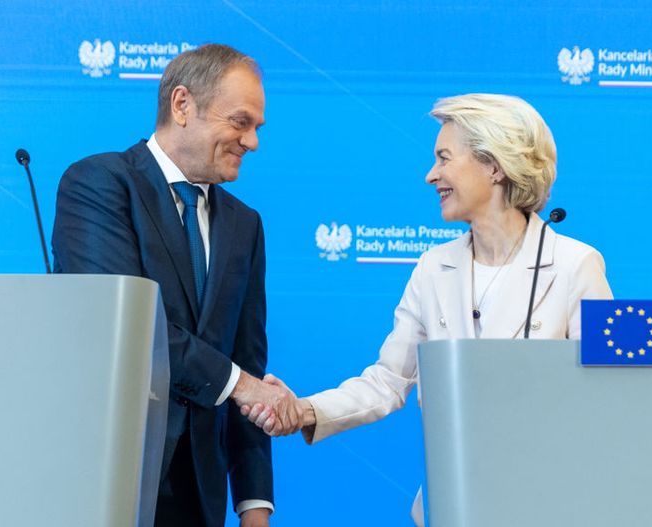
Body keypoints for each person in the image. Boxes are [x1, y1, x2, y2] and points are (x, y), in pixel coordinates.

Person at [242, 93, 613, 525]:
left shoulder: (574, 265)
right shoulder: (434, 267)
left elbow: (606, 394)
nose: (430, 175)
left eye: (444, 158)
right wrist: (306, 409)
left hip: (546, 507)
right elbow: (387, 381)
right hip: (453, 505)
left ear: (494, 166)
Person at [52, 44, 298, 527]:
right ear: (182, 104)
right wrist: (243, 386)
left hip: (199, 497)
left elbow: (247, 357)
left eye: (257, 127)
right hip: (107, 474)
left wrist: (253, 505)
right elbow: (126, 327)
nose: (252, 142)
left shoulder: (245, 225)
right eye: (241, 122)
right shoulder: (99, 184)